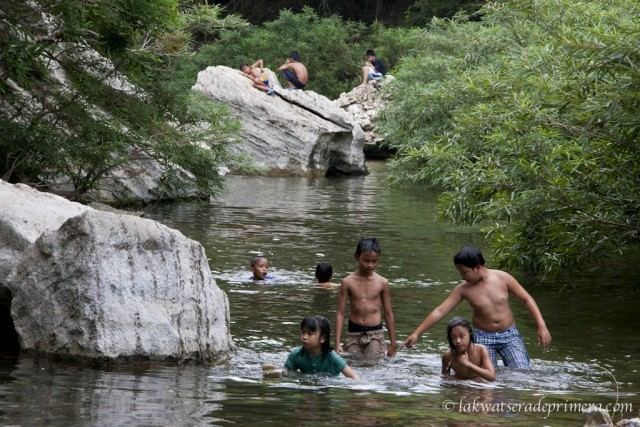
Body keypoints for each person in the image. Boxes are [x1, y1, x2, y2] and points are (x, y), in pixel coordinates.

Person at [404, 245, 552, 369]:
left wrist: (541, 325)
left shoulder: (503, 278)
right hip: (483, 337)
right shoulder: (463, 289)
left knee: (522, 373)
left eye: (464, 272)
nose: (462, 277)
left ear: (477, 267)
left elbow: (527, 299)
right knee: (486, 379)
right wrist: (417, 333)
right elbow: (440, 310)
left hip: (510, 335)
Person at [335, 237, 397, 362]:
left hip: (375, 333)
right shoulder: (347, 282)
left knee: (372, 367)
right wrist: (337, 343)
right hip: (353, 333)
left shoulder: (382, 282)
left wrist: (393, 343)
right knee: (351, 367)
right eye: (366, 260)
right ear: (357, 257)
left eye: (374, 261)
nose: (370, 265)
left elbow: (388, 313)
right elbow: (340, 313)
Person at [285, 315, 359, 379]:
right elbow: (285, 373)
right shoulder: (296, 355)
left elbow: (354, 377)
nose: (304, 337)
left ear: (323, 338)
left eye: (310, 334)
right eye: (303, 332)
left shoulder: (332, 357)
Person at [442, 317, 495, 381]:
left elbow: (492, 377)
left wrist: (468, 364)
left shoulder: (481, 350)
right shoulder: (448, 356)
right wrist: (456, 381)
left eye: (461, 336)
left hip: (479, 385)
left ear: (470, 333)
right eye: (453, 337)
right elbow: (444, 377)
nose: (458, 341)